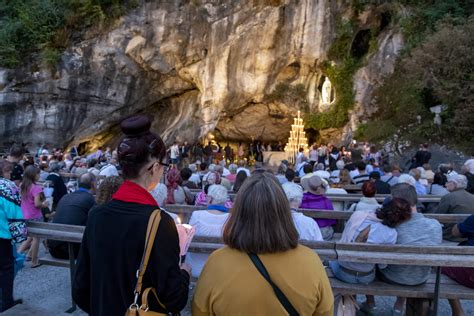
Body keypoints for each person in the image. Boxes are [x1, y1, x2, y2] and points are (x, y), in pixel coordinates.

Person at [72, 115, 190, 315]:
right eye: (163, 165)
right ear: (153, 167)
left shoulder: (96, 215)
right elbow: (173, 299)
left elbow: (81, 288)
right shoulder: (160, 222)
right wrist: (184, 274)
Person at [192, 172, 334, 315]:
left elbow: (200, 310)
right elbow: (325, 311)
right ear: (283, 212)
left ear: (238, 213)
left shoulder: (217, 263)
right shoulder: (310, 262)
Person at [370, 183, 442, 315]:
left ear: (395, 201)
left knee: (370, 260)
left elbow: (380, 261)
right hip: (421, 277)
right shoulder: (434, 225)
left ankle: (370, 303)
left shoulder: (392, 225)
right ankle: (399, 304)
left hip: (393, 276)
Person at [330, 198, 411, 285]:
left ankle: (348, 296)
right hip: (366, 276)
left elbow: (344, 238)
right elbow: (382, 265)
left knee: (333, 261)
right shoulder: (391, 234)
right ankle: (364, 298)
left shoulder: (358, 215)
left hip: (343, 272)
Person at [48, 173, 96, 259]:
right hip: (72, 250)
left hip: (53, 249)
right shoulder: (90, 199)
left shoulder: (66, 197)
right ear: (93, 184)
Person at [187, 185, 230, 278]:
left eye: (207, 196)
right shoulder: (231, 218)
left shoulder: (197, 215)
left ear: (210, 198)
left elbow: (188, 238)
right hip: (222, 268)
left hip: (195, 266)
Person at [0, 160, 24, 312]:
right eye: (9, 172)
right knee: (6, 267)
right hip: (2, 234)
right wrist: (20, 236)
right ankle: (6, 303)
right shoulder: (9, 187)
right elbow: (14, 213)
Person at [442, 215, 474, 316]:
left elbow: (455, 232)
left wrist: (462, 224)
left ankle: (457, 310)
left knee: (441, 266)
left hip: (470, 272)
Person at [17, 165, 48, 268]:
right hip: (35, 215)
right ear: (33, 175)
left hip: (24, 215)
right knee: (36, 238)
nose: (39, 175)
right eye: (38, 173)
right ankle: (34, 261)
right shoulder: (36, 188)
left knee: (30, 237)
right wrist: (45, 204)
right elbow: (37, 204)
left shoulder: (22, 185)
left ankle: (18, 256)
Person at [300, 175, 335, 240]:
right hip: (323, 232)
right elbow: (332, 220)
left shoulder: (301, 199)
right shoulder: (326, 201)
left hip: (306, 231)